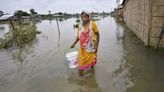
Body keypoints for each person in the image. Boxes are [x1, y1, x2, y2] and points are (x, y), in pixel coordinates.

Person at [71, 11, 100, 76]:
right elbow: (78, 36)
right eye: (82, 17)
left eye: (85, 17)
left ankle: (91, 75)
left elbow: (98, 35)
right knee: (81, 64)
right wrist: (74, 44)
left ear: (89, 17)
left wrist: (97, 46)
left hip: (92, 47)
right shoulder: (80, 26)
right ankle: (81, 79)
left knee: (92, 60)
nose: (83, 19)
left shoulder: (93, 24)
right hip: (83, 49)